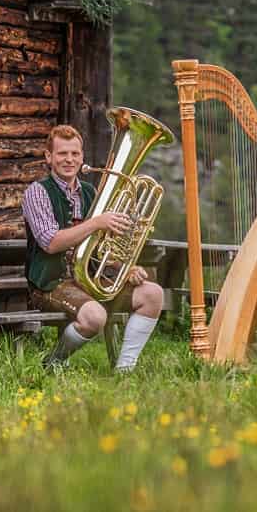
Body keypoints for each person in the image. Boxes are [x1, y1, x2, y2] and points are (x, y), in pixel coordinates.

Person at [21, 124, 164, 371]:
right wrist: (96, 222)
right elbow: (51, 243)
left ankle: (124, 370)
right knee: (95, 317)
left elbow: (101, 247)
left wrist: (125, 268)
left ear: (82, 157)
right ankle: (53, 362)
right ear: (49, 157)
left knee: (152, 294)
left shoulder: (90, 192)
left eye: (75, 154)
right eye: (62, 153)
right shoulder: (37, 192)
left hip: (87, 281)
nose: (69, 160)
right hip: (51, 284)